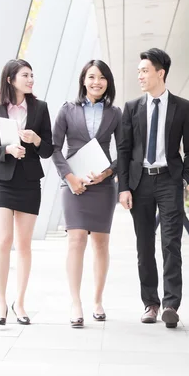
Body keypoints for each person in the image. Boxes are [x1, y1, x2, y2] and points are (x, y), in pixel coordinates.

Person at [117, 48, 189, 328]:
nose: (140, 75)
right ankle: (150, 303)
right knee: (144, 245)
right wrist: (123, 187)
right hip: (140, 183)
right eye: (138, 71)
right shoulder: (131, 108)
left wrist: (184, 178)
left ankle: (171, 304)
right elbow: (124, 150)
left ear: (160, 73)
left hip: (169, 180)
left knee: (171, 243)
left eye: (145, 70)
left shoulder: (183, 107)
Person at [0, 59, 54, 325]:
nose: (31, 79)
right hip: (0, 181)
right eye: (25, 75)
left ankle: (19, 302)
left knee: (23, 245)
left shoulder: (40, 108)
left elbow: (48, 150)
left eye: (32, 75)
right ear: (10, 79)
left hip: (29, 182)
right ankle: (0, 301)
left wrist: (36, 140)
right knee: (3, 240)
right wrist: (6, 150)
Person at [51, 60, 122, 328]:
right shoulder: (67, 110)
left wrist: (106, 174)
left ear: (108, 82)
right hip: (73, 182)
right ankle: (75, 302)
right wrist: (70, 178)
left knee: (101, 243)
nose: (96, 82)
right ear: (83, 80)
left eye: (102, 78)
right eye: (91, 77)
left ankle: (97, 300)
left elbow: (123, 151)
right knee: (76, 239)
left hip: (102, 185)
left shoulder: (115, 113)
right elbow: (55, 148)